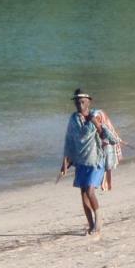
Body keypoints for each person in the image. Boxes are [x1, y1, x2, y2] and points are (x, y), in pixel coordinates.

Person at [59, 88, 111, 237]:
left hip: (95, 160)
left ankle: (98, 222)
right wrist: (65, 161)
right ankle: (90, 225)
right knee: (83, 194)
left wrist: (93, 121)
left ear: (89, 102)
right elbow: (70, 141)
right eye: (77, 103)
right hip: (81, 161)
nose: (80, 105)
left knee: (90, 191)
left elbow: (103, 134)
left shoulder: (96, 116)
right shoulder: (74, 119)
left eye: (82, 102)